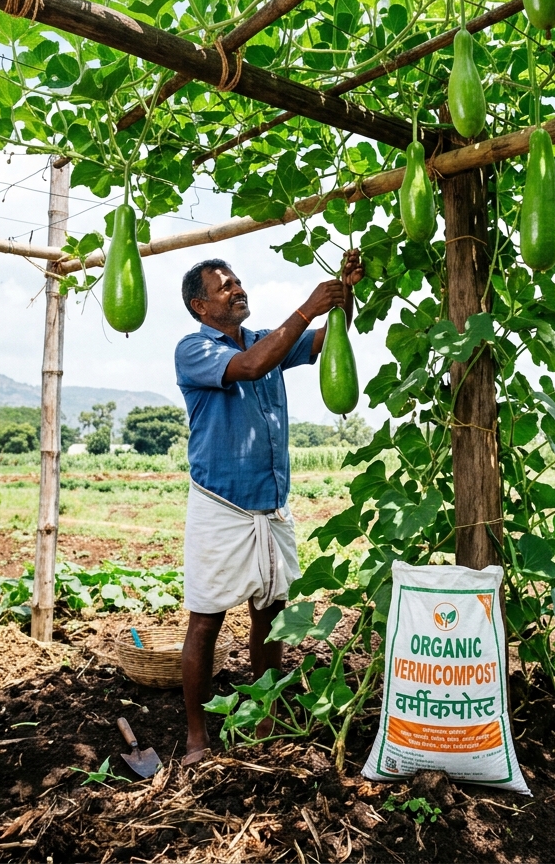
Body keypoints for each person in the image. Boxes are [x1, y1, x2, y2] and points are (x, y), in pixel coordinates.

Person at [174, 251, 364, 765]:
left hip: (272, 505)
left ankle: (265, 713)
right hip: (221, 505)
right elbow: (252, 368)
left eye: (238, 280)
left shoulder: (266, 339)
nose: (237, 288)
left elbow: (327, 339)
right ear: (200, 305)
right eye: (224, 286)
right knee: (206, 621)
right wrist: (308, 307)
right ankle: (196, 735)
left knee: (271, 614)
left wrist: (344, 295)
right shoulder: (193, 348)